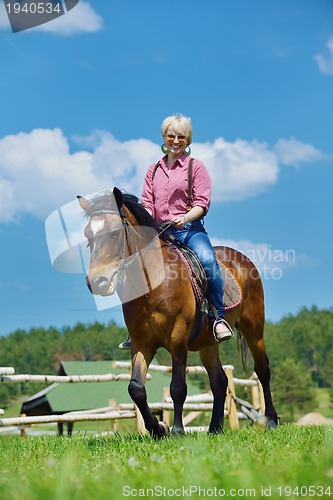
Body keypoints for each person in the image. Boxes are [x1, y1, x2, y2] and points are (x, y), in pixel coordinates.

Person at [119, 114, 233, 349]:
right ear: (164, 137)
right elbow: (147, 203)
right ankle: (137, 328)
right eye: (171, 135)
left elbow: (202, 203)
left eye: (181, 136)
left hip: (189, 230)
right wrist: (147, 222)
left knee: (208, 261)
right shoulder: (153, 170)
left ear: (187, 139)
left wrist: (185, 217)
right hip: (159, 232)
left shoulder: (196, 167)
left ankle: (218, 318)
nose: (176, 140)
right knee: (132, 265)